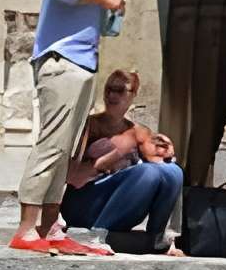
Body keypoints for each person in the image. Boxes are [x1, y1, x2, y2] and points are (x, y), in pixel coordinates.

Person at [13, 0, 151, 255]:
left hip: (82, 62)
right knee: (53, 145)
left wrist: (107, 12)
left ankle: (49, 227)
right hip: (62, 60)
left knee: (69, 149)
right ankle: (26, 228)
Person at [61, 69, 184, 251]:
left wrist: (167, 151)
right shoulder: (90, 125)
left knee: (173, 171)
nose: (111, 95)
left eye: (119, 90)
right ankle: (96, 235)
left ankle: (158, 237)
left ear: (133, 94)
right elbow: (72, 177)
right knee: (148, 172)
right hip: (83, 206)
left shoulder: (137, 131)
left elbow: (162, 166)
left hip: (120, 206)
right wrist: (112, 157)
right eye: (109, 89)